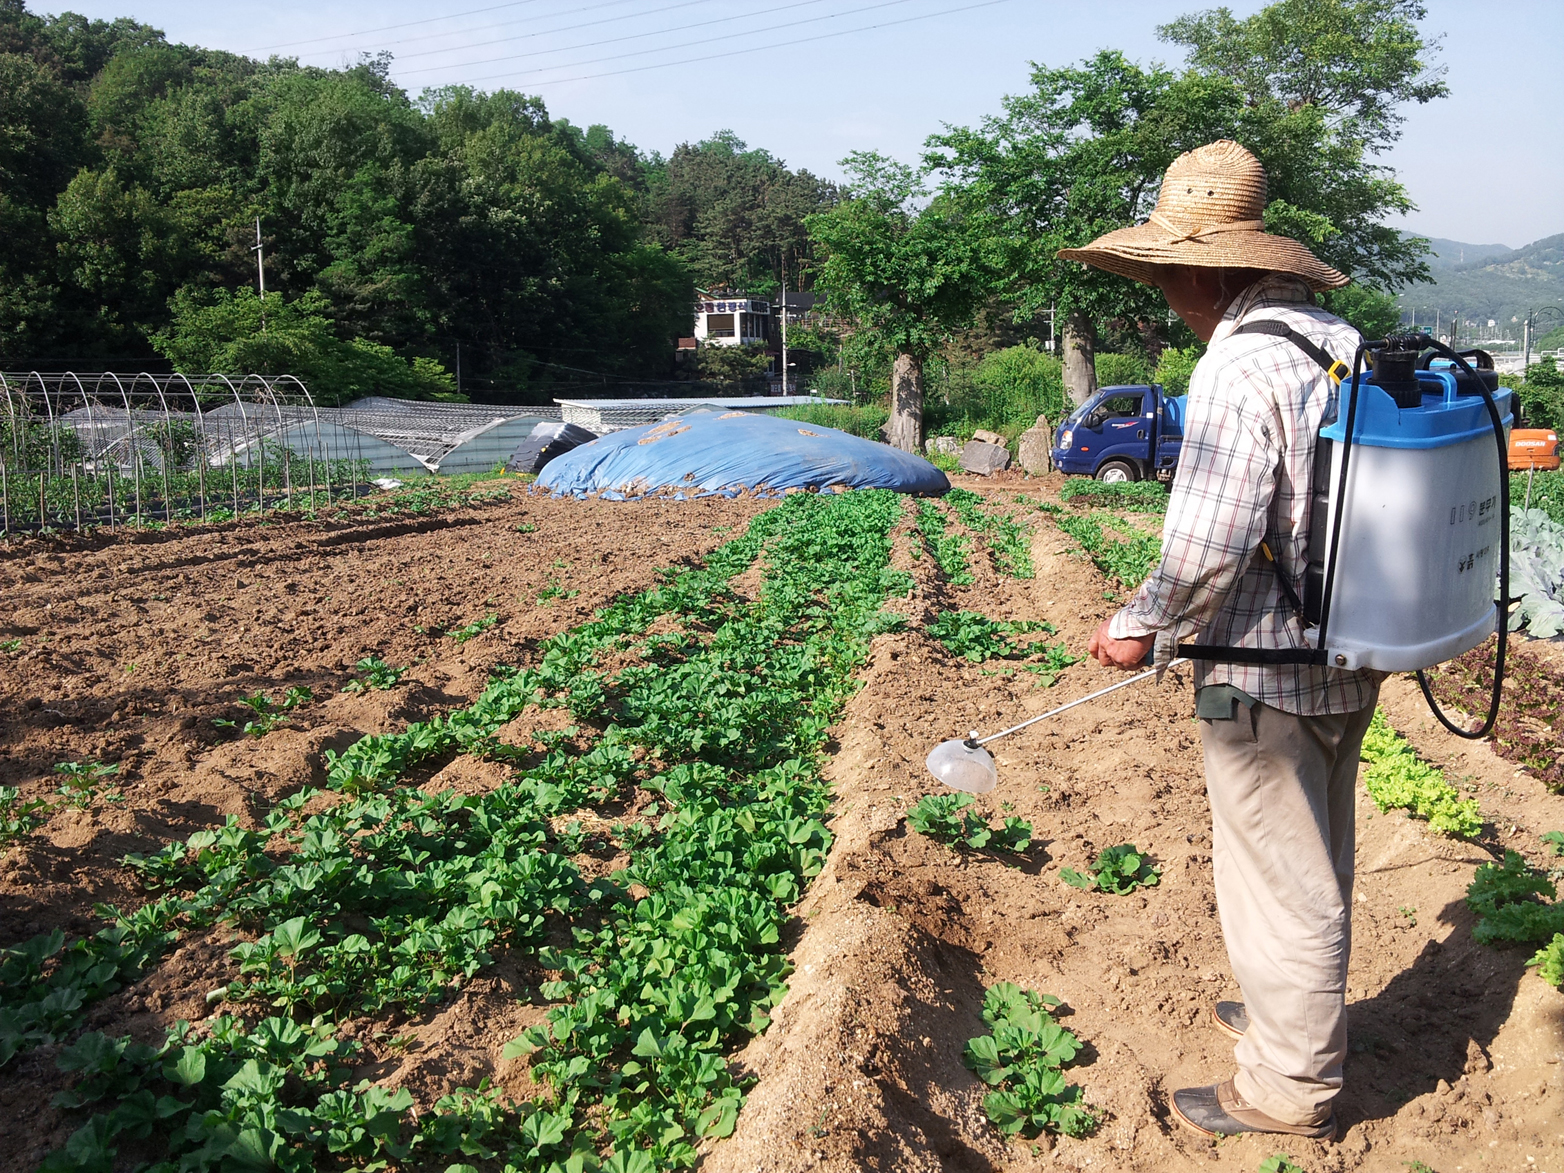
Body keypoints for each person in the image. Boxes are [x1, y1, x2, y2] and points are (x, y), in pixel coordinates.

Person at [1060, 139, 1381, 1140]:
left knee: (1275, 876)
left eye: (1163, 278)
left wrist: (1135, 628)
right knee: (1316, 849)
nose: (1165, 299)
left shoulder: (1240, 368)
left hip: (1261, 669)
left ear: (1202, 270)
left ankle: (1286, 1087)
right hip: (1353, 641)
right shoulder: (1335, 339)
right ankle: (1295, 1016)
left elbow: (1205, 548)